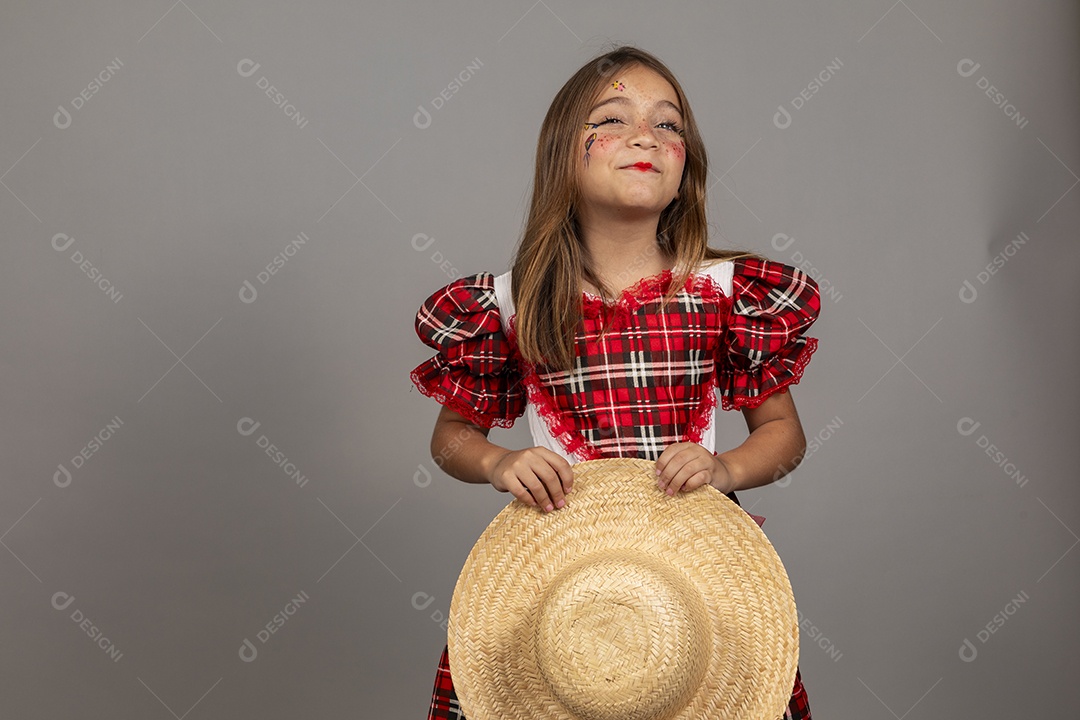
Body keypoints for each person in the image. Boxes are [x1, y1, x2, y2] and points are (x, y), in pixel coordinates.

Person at [410, 45, 820, 720]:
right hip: (561, 583)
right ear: (562, 158)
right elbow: (451, 439)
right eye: (613, 119)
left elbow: (785, 435)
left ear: (686, 168)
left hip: (691, 581)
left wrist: (724, 469)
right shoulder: (510, 305)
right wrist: (499, 461)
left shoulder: (727, 293)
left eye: (669, 126)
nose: (645, 137)